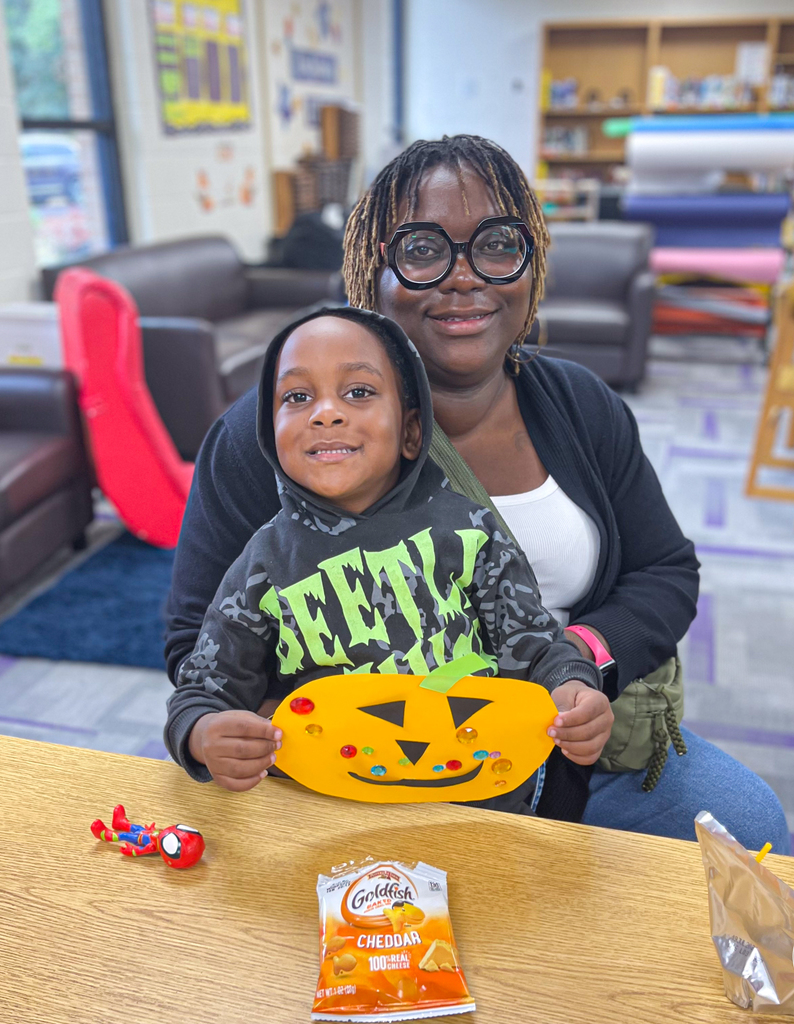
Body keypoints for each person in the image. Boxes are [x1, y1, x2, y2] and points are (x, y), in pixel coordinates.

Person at [164, 134, 790, 854]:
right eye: (423, 250)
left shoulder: (581, 404)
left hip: (556, 736)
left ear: (531, 264)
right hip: (351, 755)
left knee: (750, 822)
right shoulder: (280, 436)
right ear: (375, 275)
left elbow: (666, 572)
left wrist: (573, 662)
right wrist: (296, 725)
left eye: (496, 245)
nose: (464, 278)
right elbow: (195, 644)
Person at [164, 306, 605, 818]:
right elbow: (203, 691)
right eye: (297, 397)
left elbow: (536, 649)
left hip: (477, 801)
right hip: (321, 805)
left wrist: (573, 688)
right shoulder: (262, 565)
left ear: (412, 431)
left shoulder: (470, 532)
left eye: (358, 392)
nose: (325, 413)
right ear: (271, 433)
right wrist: (201, 735)